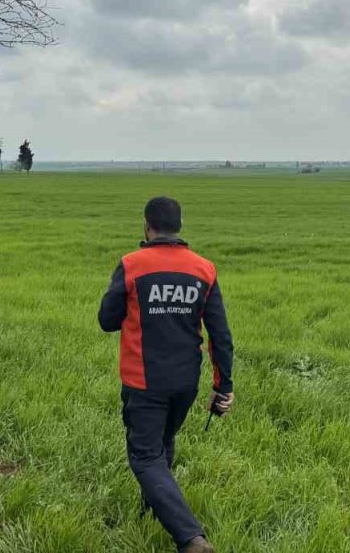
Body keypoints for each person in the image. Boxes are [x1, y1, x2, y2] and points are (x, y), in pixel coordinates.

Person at [98, 196, 235, 553]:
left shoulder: (132, 265)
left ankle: (191, 538)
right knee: (163, 443)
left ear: (147, 226)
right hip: (185, 381)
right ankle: (152, 510)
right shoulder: (204, 269)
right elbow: (220, 336)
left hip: (144, 381)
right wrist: (224, 388)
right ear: (180, 226)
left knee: (144, 456)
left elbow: (106, 320)